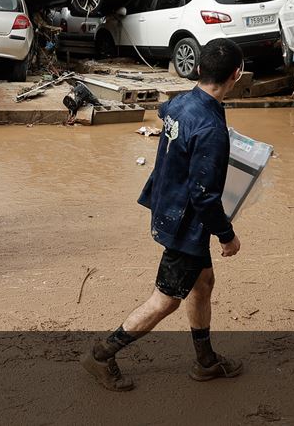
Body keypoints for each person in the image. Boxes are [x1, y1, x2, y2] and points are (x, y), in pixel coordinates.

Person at [82, 38, 246, 391]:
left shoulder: (180, 103)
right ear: (237, 74)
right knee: (165, 300)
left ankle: (206, 361)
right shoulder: (211, 129)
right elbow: (205, 197)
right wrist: (227, 235)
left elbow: (167, 119)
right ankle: (102, 353)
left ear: (199, 69)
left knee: (203, 284)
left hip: (166, 205)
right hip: (186, 223)